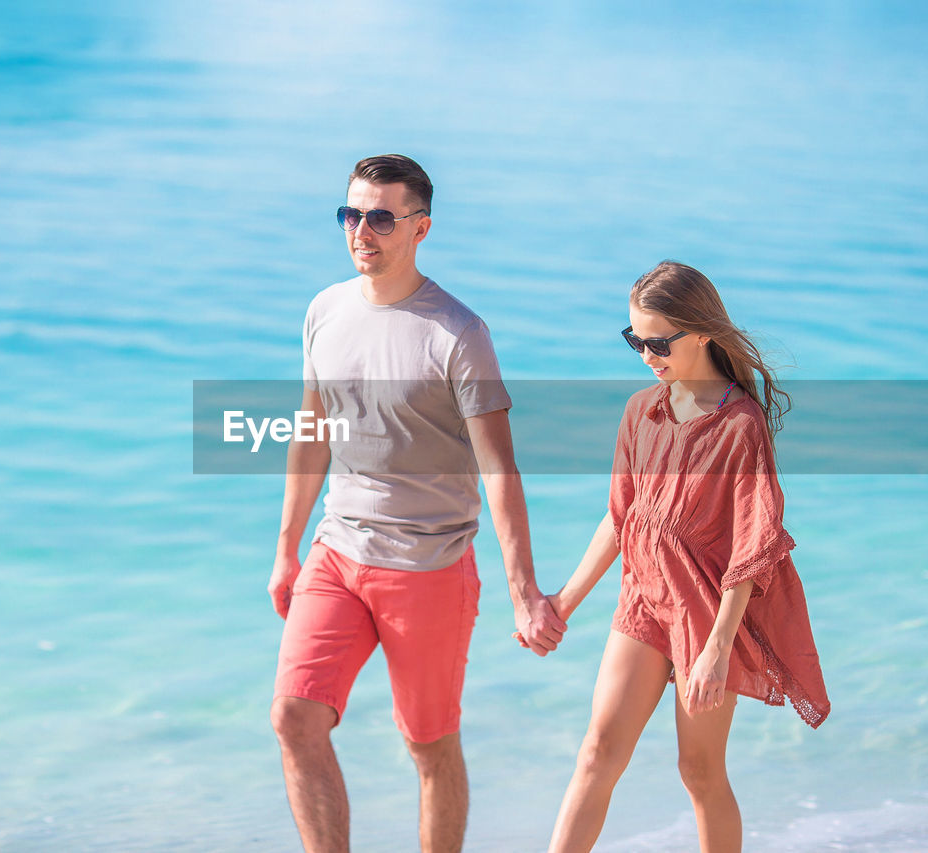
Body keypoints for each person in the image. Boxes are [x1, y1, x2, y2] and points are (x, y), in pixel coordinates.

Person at [267, 154, 566, 853]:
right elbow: (311, 432)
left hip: (428, 567)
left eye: (379, 217)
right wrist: (286, 548)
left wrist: (524, 590)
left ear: (419, 227)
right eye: (350, 214)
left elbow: (499, 466)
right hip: (337, 552)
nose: (360, 230)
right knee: (293, 717)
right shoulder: (324, 310)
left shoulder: (457, 333)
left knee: (429, 746)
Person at [533, 261, 830, 853]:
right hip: (644, 602)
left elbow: (753, 546)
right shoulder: (642, 410)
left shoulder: (740, 424)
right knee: (596, 753)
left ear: (701, 333)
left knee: (698, 772)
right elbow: (620, 518)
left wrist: (716, 649)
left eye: (657, 341)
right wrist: (562, 601)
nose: (646, 354)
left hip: (708, 617)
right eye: (634, 339)